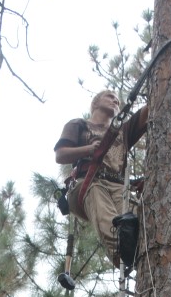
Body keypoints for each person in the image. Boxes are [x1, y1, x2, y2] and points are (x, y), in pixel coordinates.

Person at [54, 90, 147, 266]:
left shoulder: (123, 131)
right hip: (86, 183)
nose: (115, 101)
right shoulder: (78, 124)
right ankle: (121, 251)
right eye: (110, 97)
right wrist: (88, 149)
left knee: (136, 218)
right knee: (104, 208)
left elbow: (148, 111)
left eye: (118, 101)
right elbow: (61, 155)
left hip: (117, 186)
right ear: (95, 103)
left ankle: (143, 251)